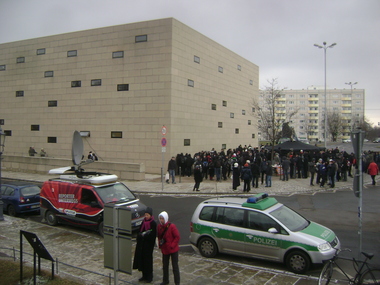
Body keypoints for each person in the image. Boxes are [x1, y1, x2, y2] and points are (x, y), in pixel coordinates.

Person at [133, 207, 157, 283]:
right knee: (142, 261)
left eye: (147, 215)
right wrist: (140, 235)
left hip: (148, 246)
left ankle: (149, 276)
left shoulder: (153, 223)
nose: (146, 216)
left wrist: (145, 235)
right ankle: (144, 275)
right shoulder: (143, 222)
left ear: (150, 215)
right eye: (145, 215)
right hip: (142, 246)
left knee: (148, 261)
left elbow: (153, 235)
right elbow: (139, 231)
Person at [157, 211, 180, 285]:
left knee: (175, 267)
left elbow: (177, 237)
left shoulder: (172, 226)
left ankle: (177, 282)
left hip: (173, 250)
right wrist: (160, 245)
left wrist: (172, 245)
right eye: (160, 218)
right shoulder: (159, 227)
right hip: (165, 249)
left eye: (162, 219)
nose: (161, 220)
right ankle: (165, 280)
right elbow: (159, 237)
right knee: (165, 266)